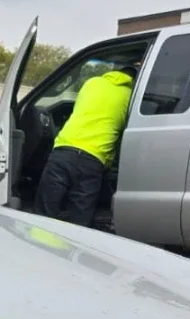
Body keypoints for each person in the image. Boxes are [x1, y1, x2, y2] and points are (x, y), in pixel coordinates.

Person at [34, 64, 137, 227]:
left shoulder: (92, 82)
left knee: (45, 210)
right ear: (133, 80)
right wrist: (107, 161)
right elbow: (122, 129)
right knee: (80, 217)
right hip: (92, 159)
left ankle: (37, 244)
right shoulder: (131, 96)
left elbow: (80, 109)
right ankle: (73, 249)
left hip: (63, 150)